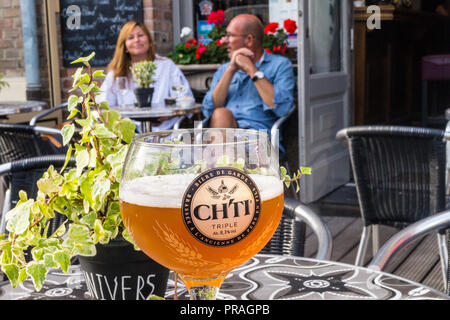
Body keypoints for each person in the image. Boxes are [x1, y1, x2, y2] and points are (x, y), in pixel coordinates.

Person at [202, 14, 295, 139]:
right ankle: (225, 156)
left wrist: (252, 69)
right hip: (225, 135)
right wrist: (231, 70)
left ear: (249, 40)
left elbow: (282, 108)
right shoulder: (224, 69)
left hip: (257, 139)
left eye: (230, 35)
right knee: (220, 114)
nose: (226, 40)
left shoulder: (280, 65)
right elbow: (208, 110)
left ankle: (223, 156)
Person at [97, 21, 193, 131]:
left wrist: (170, 114)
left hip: (166, 131)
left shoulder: (166, 66)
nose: (137, 40)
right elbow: (103, 105)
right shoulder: (117, 73)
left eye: (141, 35)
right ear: (124, 46)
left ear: (149, 41)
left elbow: (185, 97)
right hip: (128, 134)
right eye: (131, 37)